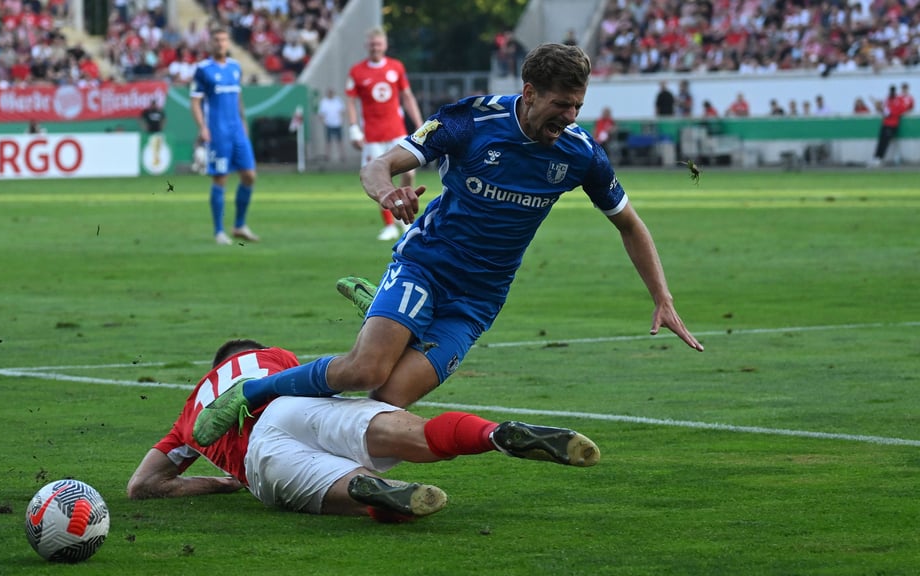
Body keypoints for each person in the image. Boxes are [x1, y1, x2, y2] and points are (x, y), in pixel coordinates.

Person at [192, 43, 702, 448]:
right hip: (425, 265)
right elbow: (377, 164)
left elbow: (629, 224)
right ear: (528, 92)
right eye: (560, 104)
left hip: (479, 298)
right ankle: (251, 394)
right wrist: (387, 193)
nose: (569, 116)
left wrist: (664, 297)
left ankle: (380, 345)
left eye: (577, 106)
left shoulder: (579, 152)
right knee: (367, 369)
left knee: (387, 397)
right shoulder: (468, 120)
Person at [128, 336, 600, 522]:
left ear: (214, 370)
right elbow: (325, 381)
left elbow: (143, 486)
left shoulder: (191, 411)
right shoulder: (275, 359)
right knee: (421, 435)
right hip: (292, 402)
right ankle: (494, 434)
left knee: (347, 486)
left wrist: (219, 482)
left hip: (260, 458)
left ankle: (378, 493)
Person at [345, 26, 424, 241]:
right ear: (367, 46)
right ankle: (390, 224)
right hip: (372, 136)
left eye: (378, 44)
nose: (375, 48)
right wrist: (354, 128)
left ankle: (403, 212)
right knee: (381, 178)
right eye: (372, 44)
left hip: (396, 131)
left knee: (409, 173)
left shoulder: (396, 67)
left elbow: (407, 96)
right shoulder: (357, 71)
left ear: (385, 45)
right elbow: (351, 101)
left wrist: (420, 125)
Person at [191, 26, 260, 246]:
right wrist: (202, 127)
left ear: (228, 42)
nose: (221, 43)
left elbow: (238, 98)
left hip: (237, 130)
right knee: (221, 178)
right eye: (217, 40)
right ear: (210, 44)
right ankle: (219, 231)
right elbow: (195, 101)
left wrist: (244, 123)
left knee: (249, 175)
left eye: (224, 40)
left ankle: (239, 225)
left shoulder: (235, 67)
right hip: (217, 131)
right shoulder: (203, 69)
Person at [870, 84, 909, 167]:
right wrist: (879, 107)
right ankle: (876, 157)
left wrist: (883, 109)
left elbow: (893, 112)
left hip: (892, 124)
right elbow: (884, 112)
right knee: (880, 141)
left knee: (885, 142)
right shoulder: (887, 99)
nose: (891, 93)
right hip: (885, 123)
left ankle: (880, 158)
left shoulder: (899, 100)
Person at [317, 87, 345, 163]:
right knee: (328, 141)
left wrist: (341, 120)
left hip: (337, 124)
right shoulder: (324, 102)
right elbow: (321, 114)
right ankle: (327, 156)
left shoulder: (338, 100)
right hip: (328, 124)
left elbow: (342, 111)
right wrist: (324, 122)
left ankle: (342, 156)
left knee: (339, 141)